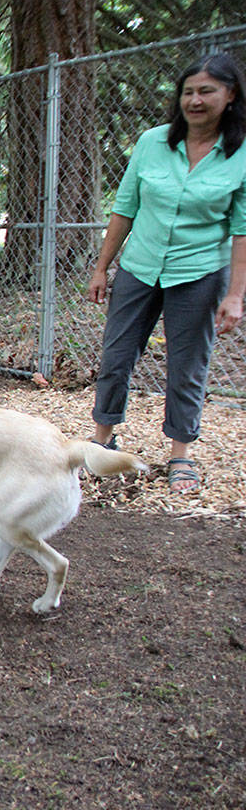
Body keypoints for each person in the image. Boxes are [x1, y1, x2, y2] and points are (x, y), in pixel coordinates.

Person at [86, 52, 246, 493]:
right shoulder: (153, 142)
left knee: (187, 366)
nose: (195, 100)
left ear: (229, 96)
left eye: (206, 91)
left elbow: (242, 229)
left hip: (199, 272)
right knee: (116, 358)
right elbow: (125, 209)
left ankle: (181, 455)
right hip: (140, 268)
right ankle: (102, 441)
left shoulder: (241, 153)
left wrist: (235, 295)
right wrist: (102, 268)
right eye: (188, 91)